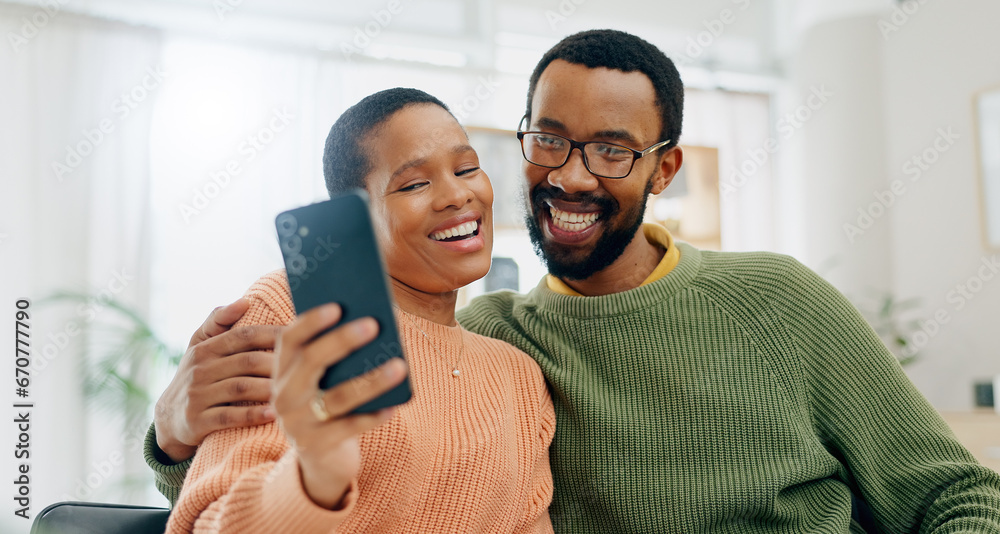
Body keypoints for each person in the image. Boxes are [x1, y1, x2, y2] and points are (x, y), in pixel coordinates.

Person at [147, 30, 1000, 533]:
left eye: (614, 150)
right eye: (549, 139)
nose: (574, 176)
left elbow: (956, 496)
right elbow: (273, 476)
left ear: (663, 169)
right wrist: (173, 432)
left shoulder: (778, 299)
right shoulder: (493, 338)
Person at [161, 88, 555, 533]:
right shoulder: (295, 313)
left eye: (466, 168)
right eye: (414, 184)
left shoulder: (518, 375)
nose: (456, 195)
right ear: (356, 216)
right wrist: (315, 476)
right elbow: (207, 523)